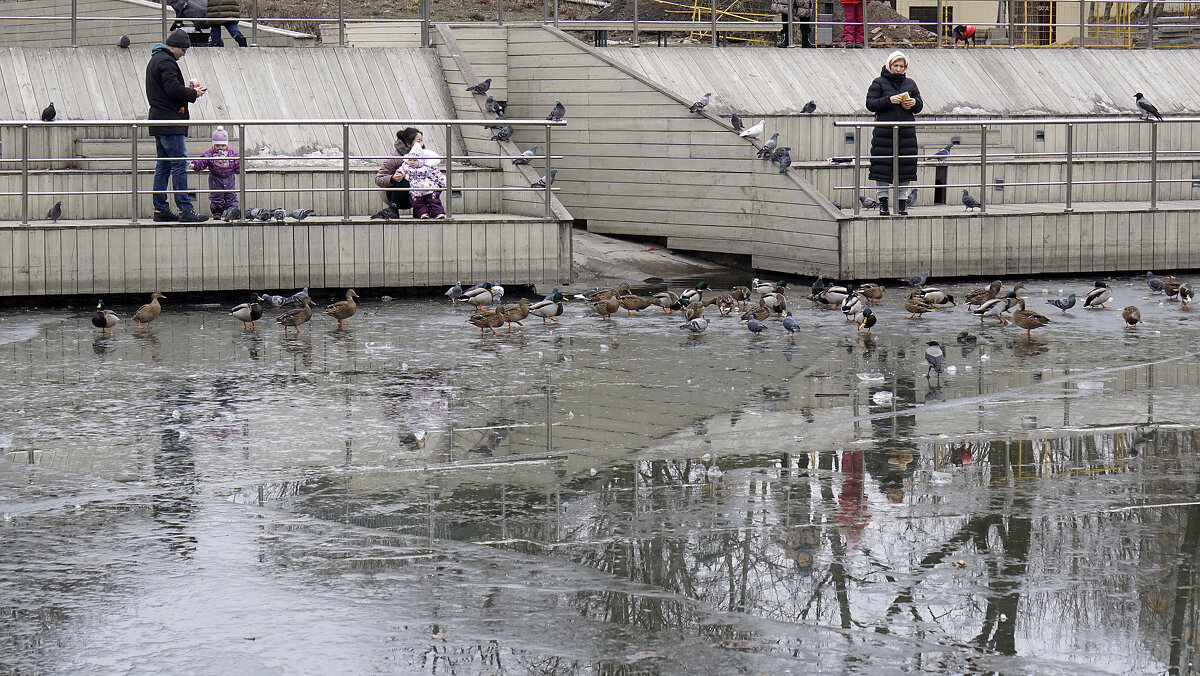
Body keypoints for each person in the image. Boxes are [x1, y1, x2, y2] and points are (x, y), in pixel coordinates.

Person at [146, 28, 208, 222]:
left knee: (163, 166)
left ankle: (160, 209)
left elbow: (167, 89)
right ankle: (185, 209)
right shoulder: (166, 62)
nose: (184, 54)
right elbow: (172, 89)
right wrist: (193, 93)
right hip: (170, 121)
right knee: (179, 164)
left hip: (159, 119)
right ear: (174, 47)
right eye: (183, 50)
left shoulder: (156, 59)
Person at [865, 51, 923, 216]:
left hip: (906, 134)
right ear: (889, 66)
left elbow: (919, 106)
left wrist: (914, 103)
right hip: (884, 133)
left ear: (905, 68)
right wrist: (889, 100)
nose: (898, 69)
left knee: (905, 167)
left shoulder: (911, 84)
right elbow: (870, 104)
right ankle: (883, 203)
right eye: (895, 66)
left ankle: (902, 203)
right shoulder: (879, 82)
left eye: (901, 66)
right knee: (882, 167)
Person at [190, 125, 240, 219]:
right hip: (215, 178)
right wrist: (195, 165)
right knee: (216, 195)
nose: (220, 148)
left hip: (229, 177)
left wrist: (240, 170)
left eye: (223, 145)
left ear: (227, 145)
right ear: (213, 145)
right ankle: (217, 211)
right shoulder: (210, 153)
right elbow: (203, 161)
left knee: (231, 195)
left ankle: (232, 210)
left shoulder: (231, 153)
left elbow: (237, 162)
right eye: (217, 145)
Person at [372, 127, 422, 220]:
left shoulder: (424, 155)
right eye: (418, 141)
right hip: (396, 194)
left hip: (417, 194)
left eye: (422, 141)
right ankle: (393, 208)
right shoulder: (394, 157)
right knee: (403, 178)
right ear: (408, 144)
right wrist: (392, 178)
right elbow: (378, 179)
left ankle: (423, 210)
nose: (421, 144)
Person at [398, 148, 447, 219]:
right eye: (410, 160)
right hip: (415, 190)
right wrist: (399, 173)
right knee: (417, 203)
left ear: (420, 161)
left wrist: (445, 183)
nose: (412, 162)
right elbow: (401, 170)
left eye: (415, 160)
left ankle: (438, 213)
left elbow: (437, 175)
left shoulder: (427, 168)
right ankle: (423, 213)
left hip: (429, 188)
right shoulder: (406, 167)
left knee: (434, 201)